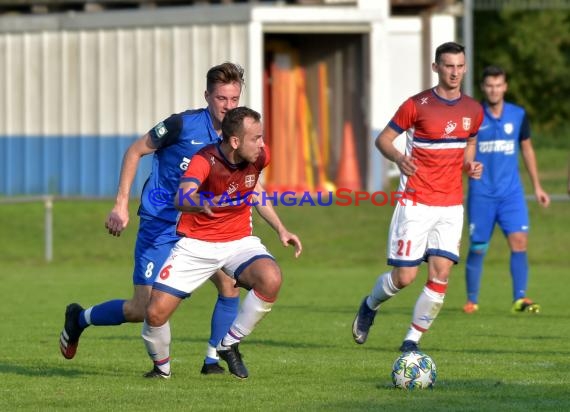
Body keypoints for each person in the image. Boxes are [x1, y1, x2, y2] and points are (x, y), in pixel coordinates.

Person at [59, 62, 258, 374]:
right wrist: (121, 205)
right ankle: (80, 318)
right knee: (143, 308)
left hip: (201, 227)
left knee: (229, 286)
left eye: (234, 99)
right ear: (207, 96)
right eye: (222, 99)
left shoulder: (237, 138)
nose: (228, 106)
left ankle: (212, 361)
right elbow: (135, 151)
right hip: (161, 223)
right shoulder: (181, 125)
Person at [141, 106, 302, 379]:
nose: (262, 144)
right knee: (155, 314)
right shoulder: (204, 159)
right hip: (196, 244)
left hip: (238, 240)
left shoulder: (260, 156)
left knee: (271, 278)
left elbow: (255, 192)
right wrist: (200, 203)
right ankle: (162, 369)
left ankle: (229, 345)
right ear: (236, 141)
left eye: (262, 137)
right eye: (256, 138)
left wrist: (281, 229)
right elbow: (182, 198)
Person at [351, 42, 483, 353]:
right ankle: (370, 305)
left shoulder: (473, 110)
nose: (454, 72)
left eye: (459, 66)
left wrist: (469, 164)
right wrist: (398, 157)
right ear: (436, 67)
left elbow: (470, 142)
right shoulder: (417, 105)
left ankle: (412, 340)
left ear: (465, 68)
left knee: (441, 274)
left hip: (451, 205)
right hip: (416, 201)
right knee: (405, 277)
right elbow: (383, 139)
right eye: (448, 65)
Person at [463, 65, 550, 314]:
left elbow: (527, 149)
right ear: (483, 87)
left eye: (498, 85)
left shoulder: (518, 114)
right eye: (489, 85)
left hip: (511, 193)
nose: (494, 89)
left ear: (505, 87)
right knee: (478, 246)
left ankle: (520, 299)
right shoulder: (474, 115)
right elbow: (466, 149)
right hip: (482, 193)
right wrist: (467, 167)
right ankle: (472, 300)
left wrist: (537, 186)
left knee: (520, 242)